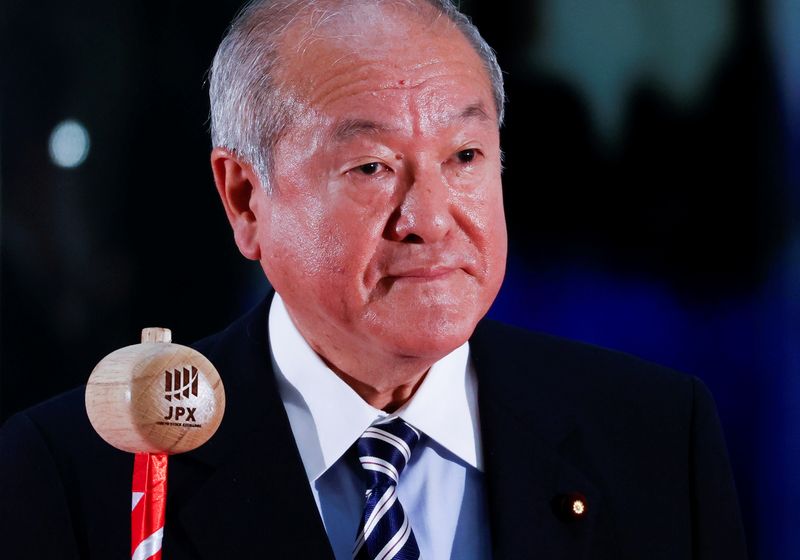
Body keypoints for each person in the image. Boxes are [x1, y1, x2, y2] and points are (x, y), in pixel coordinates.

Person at [0, 0, 747, 558]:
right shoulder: (80, 473)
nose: (430, 218)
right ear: (244, 198)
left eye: (464, 158)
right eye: (371, 167)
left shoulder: (654, 440)